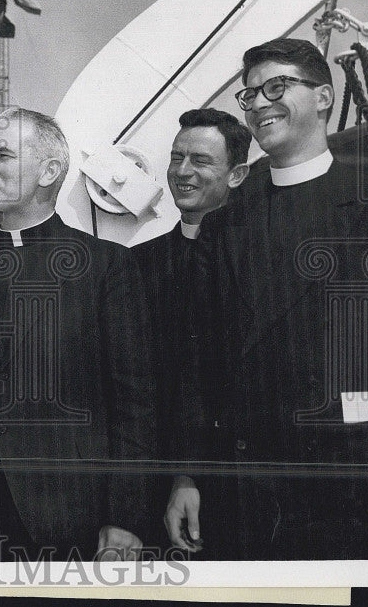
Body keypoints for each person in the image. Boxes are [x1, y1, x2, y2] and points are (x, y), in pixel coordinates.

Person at [165, 38, 368, 560]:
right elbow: (196, 364)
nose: (259, 103)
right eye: (251, 93)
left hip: (351, 481)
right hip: (242, 489)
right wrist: (187, 475)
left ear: (324, 97)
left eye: (277, 87)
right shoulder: (223, 226)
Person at [0, 107, 156, 561]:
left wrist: (124, 517)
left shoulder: (107, 267)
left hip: (72, 519)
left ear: (49, 171)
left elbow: (136, 403)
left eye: (4, 155)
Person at [131, 108, 250, 551]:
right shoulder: (137, 266)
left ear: (237, 175)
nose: (182, 172)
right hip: (156, 481)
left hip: (243, 487)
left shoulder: (263, 262)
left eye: (200, 161)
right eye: (176, 157)